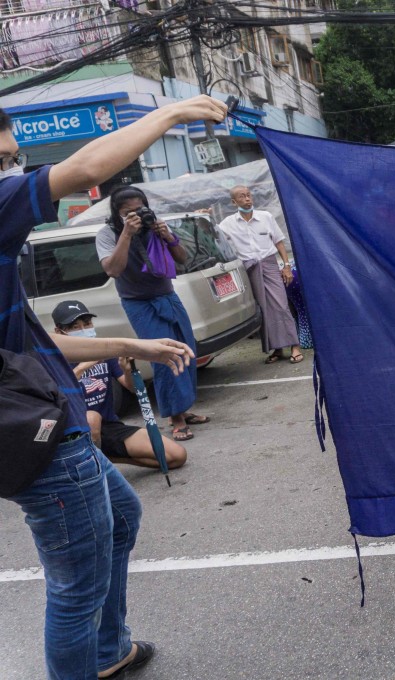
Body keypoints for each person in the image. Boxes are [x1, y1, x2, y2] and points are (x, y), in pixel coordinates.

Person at [0, 95, 226, 679]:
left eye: (13, 159)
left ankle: (109, 652)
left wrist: (132, 346)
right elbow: (85, 169)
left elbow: (32, 346)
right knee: (76, 587)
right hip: (43, 437)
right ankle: (93, 659)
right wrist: (172, 114)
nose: (11, 172)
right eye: (1, 160)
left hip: (51, 422)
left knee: (121, 515)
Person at [96, 185, 211, 442]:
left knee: (186, 352)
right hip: (139, 304)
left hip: (168, 297)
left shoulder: (155, 226)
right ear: (117, 214)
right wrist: (126, 233)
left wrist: (168, 237)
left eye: (140, 210)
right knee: (164, 356)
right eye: (128, 213)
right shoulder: (107, 234)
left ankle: (183, 408)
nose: (136, 216)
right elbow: (113, 269)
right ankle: (176, 419)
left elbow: (182, 259)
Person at [51, 300, 187, 470]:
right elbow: (54, 396)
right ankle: (94, 471)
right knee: (92, 417)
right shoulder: (53, 358)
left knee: (176, 456)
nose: (84, 330)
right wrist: (83, 366)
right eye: (75, 327)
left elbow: (132, 388)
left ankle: (109, 459)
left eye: (87, 324)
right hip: (76, 429)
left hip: (110, 426)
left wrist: (127, 370)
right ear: (59, 331)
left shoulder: (103, 350)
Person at [215, 185, 302, 364]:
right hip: (249, 269)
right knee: (263, 309)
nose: (247, 199)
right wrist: (206, 216)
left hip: (269, 264)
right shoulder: (228, 224)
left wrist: (286, 266)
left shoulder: (265, 217)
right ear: (234, 202)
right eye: (242, 196)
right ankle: (277, 349)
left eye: (248, 195)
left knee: (281, 305)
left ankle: (294, 346)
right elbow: (215, 236)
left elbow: (279, 242)